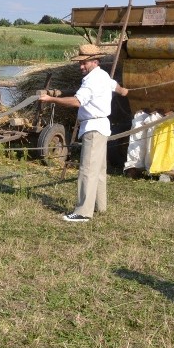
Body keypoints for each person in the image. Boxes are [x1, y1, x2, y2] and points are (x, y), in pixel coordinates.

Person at [38, 44, 128, 222]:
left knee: (87, 170)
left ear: (95, 61)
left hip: (93, 128)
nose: (81, 66)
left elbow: (77, 101)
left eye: (84, 63)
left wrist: (51, 99)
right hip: (101, 127)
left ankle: (83, 212)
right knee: (99, 170)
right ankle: (99, 206)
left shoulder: (91, 80)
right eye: (80, 63)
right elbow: (114, 85)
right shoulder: (102, 75)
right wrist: (123, 91)